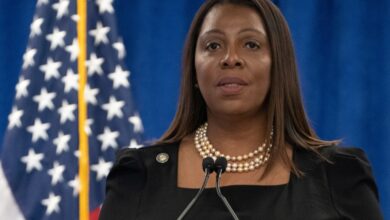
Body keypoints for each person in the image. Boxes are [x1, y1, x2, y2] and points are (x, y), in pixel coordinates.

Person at [99, 0, 383, 219]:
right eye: (213, 45)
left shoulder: (337, 175)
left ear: (278, 66)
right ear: (194, 71)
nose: (230, 58)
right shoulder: (139, 176)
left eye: (251, 44)